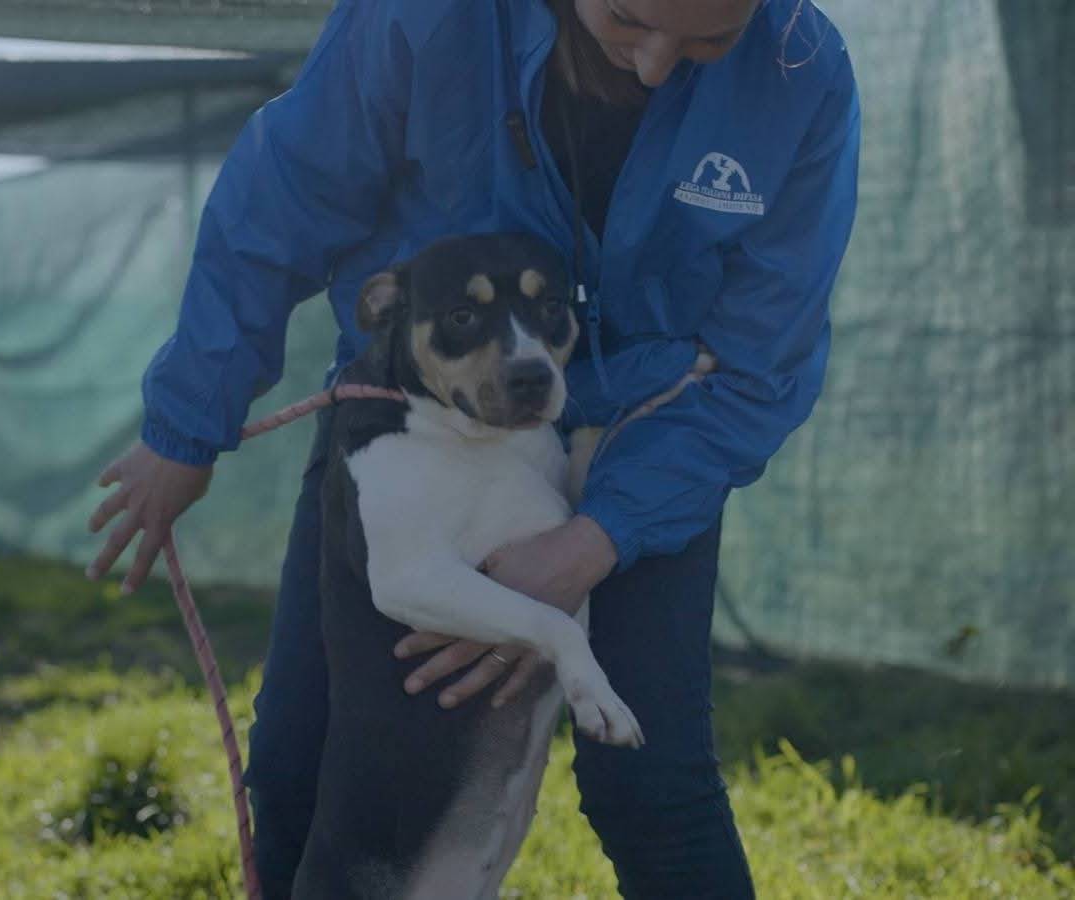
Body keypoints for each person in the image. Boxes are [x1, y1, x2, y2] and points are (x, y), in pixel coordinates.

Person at [87, 0, 860, 896]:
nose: (655, 68)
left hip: (648, 443)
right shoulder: (425, 16)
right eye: (627, 18)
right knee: (299, 756)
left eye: (710, 42)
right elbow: (285, 198)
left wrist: (598, 539)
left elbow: (762, 363)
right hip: (414, 424)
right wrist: (187, 423)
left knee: (654, 788)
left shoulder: (802, 73)